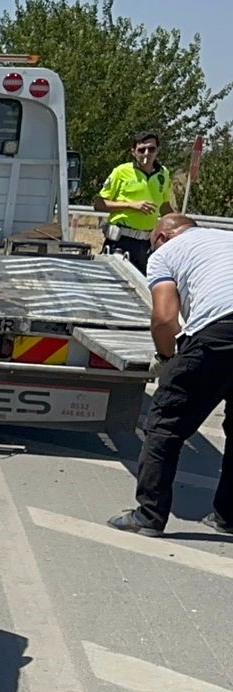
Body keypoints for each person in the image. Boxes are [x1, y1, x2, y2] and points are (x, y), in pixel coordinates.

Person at [107, 214, 233, 537]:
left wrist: (166, 359)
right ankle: (227, 516)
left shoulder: (165, 252)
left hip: (220, 331)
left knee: (164, 422)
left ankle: (149, 515)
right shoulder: (224, 238)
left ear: (162, 236)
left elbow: (164, 319)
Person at [95, 133, 175, 272]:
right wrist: (131, 205)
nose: (146, 154)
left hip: (146, 244)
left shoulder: (163, 174)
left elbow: (164, 206)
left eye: (151, 149)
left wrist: (180, 226)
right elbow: (99, 204)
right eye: (141, 150)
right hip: (120, 241)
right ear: (133, 152)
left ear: (158, 150)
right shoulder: (121, 172)